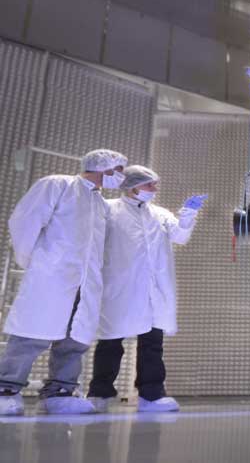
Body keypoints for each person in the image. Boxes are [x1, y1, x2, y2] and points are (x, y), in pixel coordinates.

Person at [0, 149, 128, 416]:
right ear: (101, 167)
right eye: (118, 169)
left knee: (75, 338)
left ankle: (60, 390)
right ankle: (6, 387)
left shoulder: (101, 204)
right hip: (52, 276)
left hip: (86, 281)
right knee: (31, 334)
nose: (121, 176)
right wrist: (36, 262)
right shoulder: (58, 185)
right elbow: (25, 221)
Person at [86, 166, 205, 413]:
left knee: (152, 343)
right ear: (133, 186)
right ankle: (99, 393)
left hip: (153, 289)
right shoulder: (108, 209)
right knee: (110, 342)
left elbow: (180, 237)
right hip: (119, 286)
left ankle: (151, 394)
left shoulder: (159, 214)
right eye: (150, 185)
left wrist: (188, 214)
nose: (154, 189)